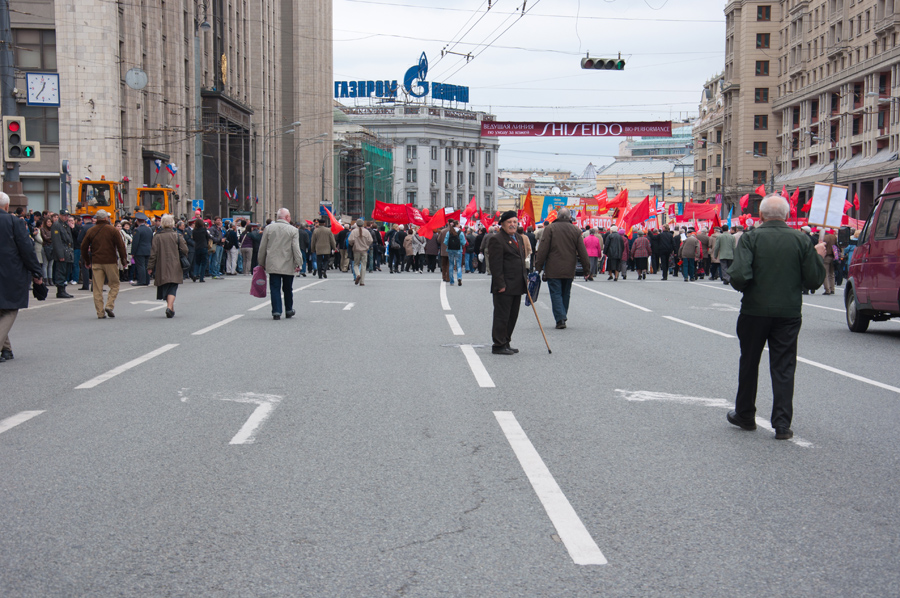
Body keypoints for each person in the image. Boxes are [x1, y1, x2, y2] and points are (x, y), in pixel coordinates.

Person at [727, 194, 826, 440]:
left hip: (754, 310)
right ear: (788, 215)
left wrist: (748, 287)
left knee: (749, 362)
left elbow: (738, 276)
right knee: (784, 366)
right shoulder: (801, 240)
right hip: (788, 312)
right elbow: (814, 280)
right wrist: (817, 257)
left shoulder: (751, 238)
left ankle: (745, 414)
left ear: (760, 216)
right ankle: (782, 424)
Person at [0, 192, 43, 363]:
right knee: (10, 309)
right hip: (11, 272)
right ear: (6, 206)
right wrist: (36, 272)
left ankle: (7, 349)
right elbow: (26, 248)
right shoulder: (13, 222)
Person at [533, 208, 590, 329]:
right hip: (569, 268)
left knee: (555, 293)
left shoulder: (550, 229)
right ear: (570, 217)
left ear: (557, 216)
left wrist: (538, 268)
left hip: (553, 268)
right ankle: (563, 315)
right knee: (566, 293)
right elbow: (582, 251)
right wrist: (586, 270)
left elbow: (543, 249)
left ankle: (560, 318)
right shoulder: (575, 230)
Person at [487, 211, 526, 355]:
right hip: (504, 285)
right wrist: (500, 284)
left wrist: (525, 279)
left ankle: (506, 341)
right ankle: (498, 344)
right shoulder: (497, 239)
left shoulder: (519, 238)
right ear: (502, 224)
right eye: (509, 222)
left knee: (512, 316)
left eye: (515, 222)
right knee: (502, 316)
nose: (512, 225)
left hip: (517, 284)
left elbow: (521, 260)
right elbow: (495, 265)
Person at [80, 210, 128, 319]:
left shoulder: (91, 230)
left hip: (96, 261)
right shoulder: (113, 230)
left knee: (97, 288)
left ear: (96, 218)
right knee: (115, 284)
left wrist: (87, 261)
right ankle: (109, 305)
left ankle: (100, 313)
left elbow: (83, 246)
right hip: (110, 261)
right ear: (106, 218)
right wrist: (124, 261)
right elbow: (121, 246)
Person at [258, 208, 304, 320]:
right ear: (287, 217)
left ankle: (276, 311)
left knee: (274, 288)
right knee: (288, 288)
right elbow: (296, 248)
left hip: (273, 263)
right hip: (288, 263)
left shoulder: (268, 229)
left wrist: (261, 262)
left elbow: (262, 247)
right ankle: (289, 310)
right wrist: (299, 263)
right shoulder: (293, 230)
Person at [148, 214, 189, 318]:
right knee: (173, 286)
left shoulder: (157, 236)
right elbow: (185, 250)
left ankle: (170, 307)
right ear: (172, 224)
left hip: (161, 265)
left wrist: (150, 267)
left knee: (166, 285)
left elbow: (153, 253)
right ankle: (170, 307)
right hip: (175, 264)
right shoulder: (177, 236)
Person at [50, 209, 75, 298]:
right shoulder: (56, 225)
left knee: (66, 271)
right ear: (60, 215)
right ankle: (60, 290)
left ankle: (63, 289)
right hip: (62, 251)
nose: (66, 217)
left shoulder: (65, 225)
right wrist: (60, 255)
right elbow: (57, 242)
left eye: (67, 215)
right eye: (64, 215)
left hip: (67, 251)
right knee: (61, 271)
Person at [348, 219, 373, 285]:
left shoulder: (353, 232)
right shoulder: (366, 232)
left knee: (356, 264)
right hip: (364, 250)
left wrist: (353, 244)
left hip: (356, 250)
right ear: (363, 224)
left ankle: (358, 274)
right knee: (363, 265)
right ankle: (362, 281)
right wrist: (366, 245)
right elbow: (370, 240)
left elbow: (350, 240)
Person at [131, 213, 153, 285]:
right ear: (144, 221)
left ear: (137, 221)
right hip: (148, 250)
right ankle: (147, 281)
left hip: (140, 251)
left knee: (141, 266)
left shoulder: (137, 230)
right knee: (146, 266)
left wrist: (133, 253)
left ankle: (141, 281)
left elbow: (135, 243)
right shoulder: (149, 229)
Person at [444, 220, 466, 286]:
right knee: (458, 265)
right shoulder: (460, 233)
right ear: (456, 225)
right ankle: (459, 277)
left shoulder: (449, 232)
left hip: (450, 250)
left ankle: (451, 281)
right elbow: (463, 242)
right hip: (458, 250)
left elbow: (445, 242)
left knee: (451, 264)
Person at [190, 217, 211, 282]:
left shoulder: (194, 231)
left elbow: (193, 239)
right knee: (204, 263)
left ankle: (195, 274)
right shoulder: (204, 230)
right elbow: (208, 237)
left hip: (197, 247)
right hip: (204, 247)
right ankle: (201, 277)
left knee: (197, 262)